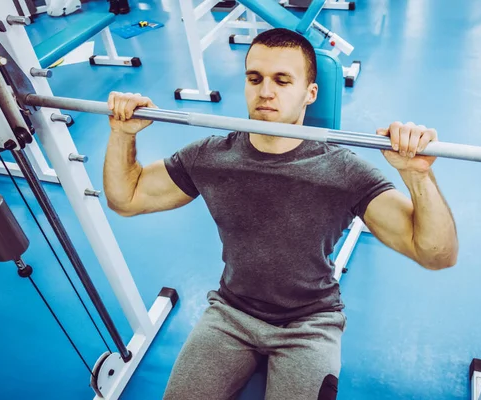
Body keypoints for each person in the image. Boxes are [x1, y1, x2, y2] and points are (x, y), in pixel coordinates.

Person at [103, 28, 458, 400]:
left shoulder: (343, 172)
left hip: (309, 324)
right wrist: (122, 134)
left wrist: (417, 175)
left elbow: (436, 254)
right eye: (254, 79)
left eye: (282, 80)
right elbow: (126, 198)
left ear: (310, 93)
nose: (265, 92)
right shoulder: (211, 156)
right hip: (230, 314)